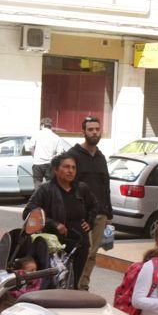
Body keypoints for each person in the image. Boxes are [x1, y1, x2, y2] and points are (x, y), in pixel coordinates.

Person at [23, 152, 97, 285]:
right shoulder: (45, 189)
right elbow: (28, 211)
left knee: (74, 282)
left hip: (80, 242)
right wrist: (54, 224)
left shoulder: (81, 188)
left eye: (73, 167)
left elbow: (94, 206)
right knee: (55, 282)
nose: (70, 171)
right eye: (66, 167)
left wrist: (89, 221)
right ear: (56, 170)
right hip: (55, 245)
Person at [71, 116, 113, 291]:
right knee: (82, 252)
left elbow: (106, 186)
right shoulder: (73, 156)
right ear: (84, 132)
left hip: (101, 215)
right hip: (82, 215)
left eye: (97, 129)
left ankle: (83, 286)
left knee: (93, 254)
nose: (95, 132)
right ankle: (73, 285)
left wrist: (109, 214)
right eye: (91, 129)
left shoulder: (101, 157)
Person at [27, 117, 67, 184]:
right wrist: (53, 158)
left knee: (37, 183)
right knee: (50, 185)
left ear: (42, 125)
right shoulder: (56, 137)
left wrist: (34, 156)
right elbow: (60, 152)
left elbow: (31, 147)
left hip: (37, 163)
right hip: (50, 164)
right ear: (50, 126)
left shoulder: (36, 134)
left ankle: (39, 194)